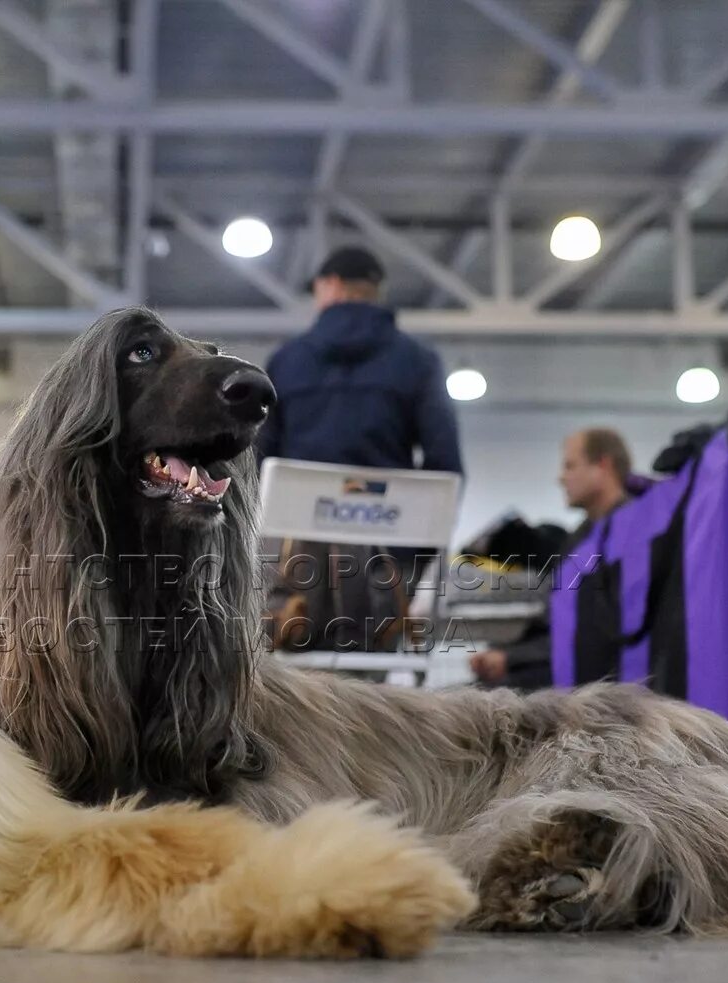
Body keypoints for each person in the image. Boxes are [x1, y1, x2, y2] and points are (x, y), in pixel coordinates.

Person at [258, 245, 462, 475]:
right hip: (389, 506)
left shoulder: (285, 360)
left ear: (332, 284)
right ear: (377, 291)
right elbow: (445, 460)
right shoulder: (420, 360)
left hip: (298, 504)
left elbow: (262, 453)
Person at [469, 428, 637, 689]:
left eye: (570, 466)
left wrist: (513, 659)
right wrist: (507, 655)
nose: (561, 478)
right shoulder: (580, 540)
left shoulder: (634, 535)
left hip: (606, 688)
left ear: (603, 465)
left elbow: (596, 632)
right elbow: (560, 621)